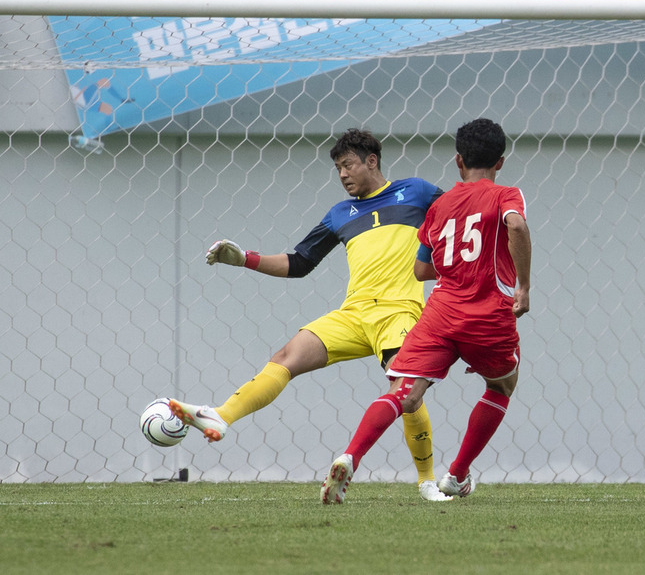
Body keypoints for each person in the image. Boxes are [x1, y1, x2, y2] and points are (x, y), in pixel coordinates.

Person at [168, 128, 454, 502]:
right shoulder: (340, 214)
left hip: (399, 312)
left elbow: (459, 216)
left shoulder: (416, 191)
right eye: (337, 168)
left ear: (372, 161)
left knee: (407, 394)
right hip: (353, 315)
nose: (342, 174)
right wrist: (245, 260)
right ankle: (221, 416)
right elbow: (300, 262)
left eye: (348, 164)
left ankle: (426, 482)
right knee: (286, 357)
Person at [320, 117, 532, 504]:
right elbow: (515, 226)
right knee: (502, 385)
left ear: (458, 161)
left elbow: (422, 269)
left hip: (440, 315)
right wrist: (524, 286)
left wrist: (454, 265)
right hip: (487, 315)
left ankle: (350, 455)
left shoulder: (440, 207)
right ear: (500, 162)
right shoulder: (505, 194)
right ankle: (456, 475)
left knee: (406, 392)